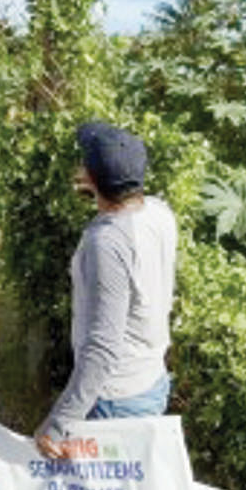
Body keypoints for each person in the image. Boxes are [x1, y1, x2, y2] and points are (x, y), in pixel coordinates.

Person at [34, 123, 178, 459]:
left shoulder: (107, 242)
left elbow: (103, 345)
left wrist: (59, 422)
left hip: (115, 398)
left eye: (84, 161)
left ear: (92, 177)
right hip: (151, 380)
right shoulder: (159, 211)